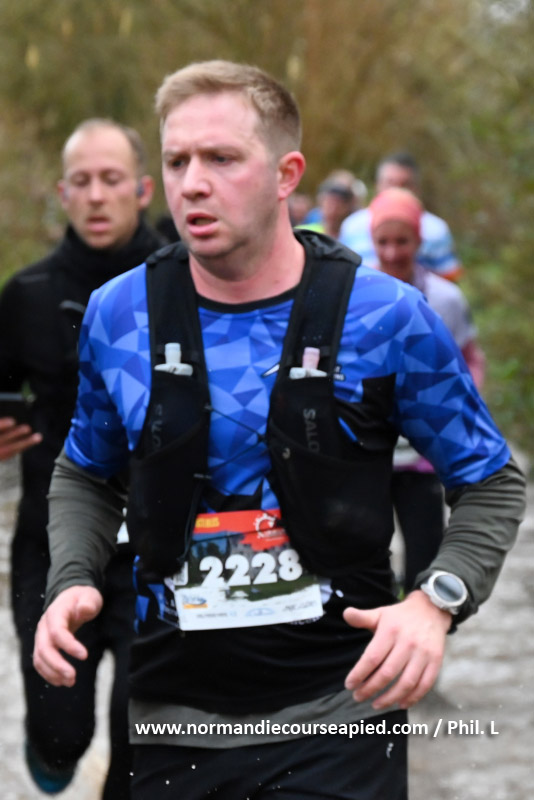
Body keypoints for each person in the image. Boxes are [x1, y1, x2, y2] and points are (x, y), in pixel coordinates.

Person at [33, 61, 525, 800]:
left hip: (341, 715)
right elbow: (86, 472)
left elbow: (490, 479)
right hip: (172, 721)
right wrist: (70, 578)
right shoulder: (119, 313)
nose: (193, 183)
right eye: (177, 161)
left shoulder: (384, 317)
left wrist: (436, 600)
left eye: (222, 158)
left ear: (286, 174)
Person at [0, 118, 162, 797]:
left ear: (143, 190)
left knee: (143, 735)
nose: (97, 195)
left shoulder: (191, 281)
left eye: (112, 179)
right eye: (83, 182)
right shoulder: (27, 294)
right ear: (63, 194)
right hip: (51, 538)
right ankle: (53, 748)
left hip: (162, 544)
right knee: (62, 732)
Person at [369, 187, 485, 592]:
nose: (392, 252)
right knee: (366, 562)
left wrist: (460, 414)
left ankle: (425, 621)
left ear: (419, 241)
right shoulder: (355, 295)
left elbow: (471, 362)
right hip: (369, 453)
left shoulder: (445, 298)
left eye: (402, 241)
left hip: (423, 455)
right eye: (383, 241)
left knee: (426, 557)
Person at [340, 151, 463, 281]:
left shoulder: (435, 229)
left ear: (417, 188)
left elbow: (448, 280)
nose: (396, 190)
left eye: (405, 185)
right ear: (377, 185)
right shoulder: (352, 226)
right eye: (390, 183)